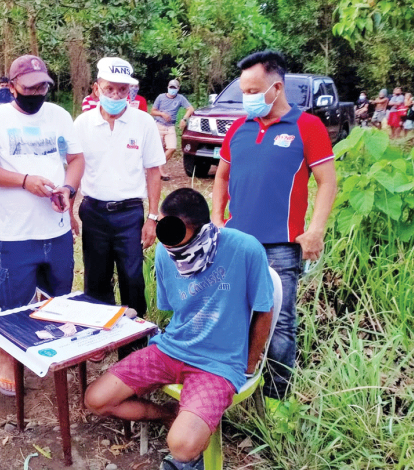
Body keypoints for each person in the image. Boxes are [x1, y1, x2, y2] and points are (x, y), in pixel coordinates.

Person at [85, 188, 274, 470]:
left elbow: (264, 308)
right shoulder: (164, 251)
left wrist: (249, 363)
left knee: (182, 447)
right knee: (96, 400)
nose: (169, 243)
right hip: (171, 348)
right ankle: (168, 413)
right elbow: (174, 308)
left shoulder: (245, 249)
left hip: (218, 363)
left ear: (201, 229)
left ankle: (188, 440)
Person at [212, 50, 337, 405]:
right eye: (243, 92)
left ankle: (277, 401)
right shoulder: (239, 127)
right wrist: (218, 218)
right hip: (235, 242)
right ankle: (236, 385)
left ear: (277, 86)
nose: (247, 99)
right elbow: (221, 176)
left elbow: (327, 182)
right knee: (235, 315)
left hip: (281, 247)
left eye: (253, 91)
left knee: (279, 323)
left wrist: (315, 230)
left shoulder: (307, 127)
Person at [0, 54, 85, 396]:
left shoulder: (60, 116)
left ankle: (52, 349)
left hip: (57, 227)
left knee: (59, 296)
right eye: (30, 87)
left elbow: (76, 159)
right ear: (12, 87)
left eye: (44, 86)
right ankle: (7, 356)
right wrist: (23, 181)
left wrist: (67, 188)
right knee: (14, 299)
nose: (38, 92)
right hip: (18, 232)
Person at [73, 57, 165, 320]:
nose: (115, 95)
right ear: (96, 89)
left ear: (130, 91)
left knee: (133, 277)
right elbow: (74, 170)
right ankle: (99, 337)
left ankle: (133, 344)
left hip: (130, 214)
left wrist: (152, 217)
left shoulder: (144, 122)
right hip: (94, 212)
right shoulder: (82, 124)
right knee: (96, 279)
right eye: (109, 89)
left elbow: (153, 171)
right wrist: (68, 212)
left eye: (122, 90)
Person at [151, 79, 194, 180]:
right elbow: (153, 111)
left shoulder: (180, 98)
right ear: (168, 87)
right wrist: (162, 114)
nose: (172, 90)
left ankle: (159, 166)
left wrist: (184, 119)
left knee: (172, 147)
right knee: (158, 149)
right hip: (159, 125)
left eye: (174, 88)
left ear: (178, 89)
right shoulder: (161, 97)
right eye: (171, 87)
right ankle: (159, 171)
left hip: (170, 126)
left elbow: (190, 109)